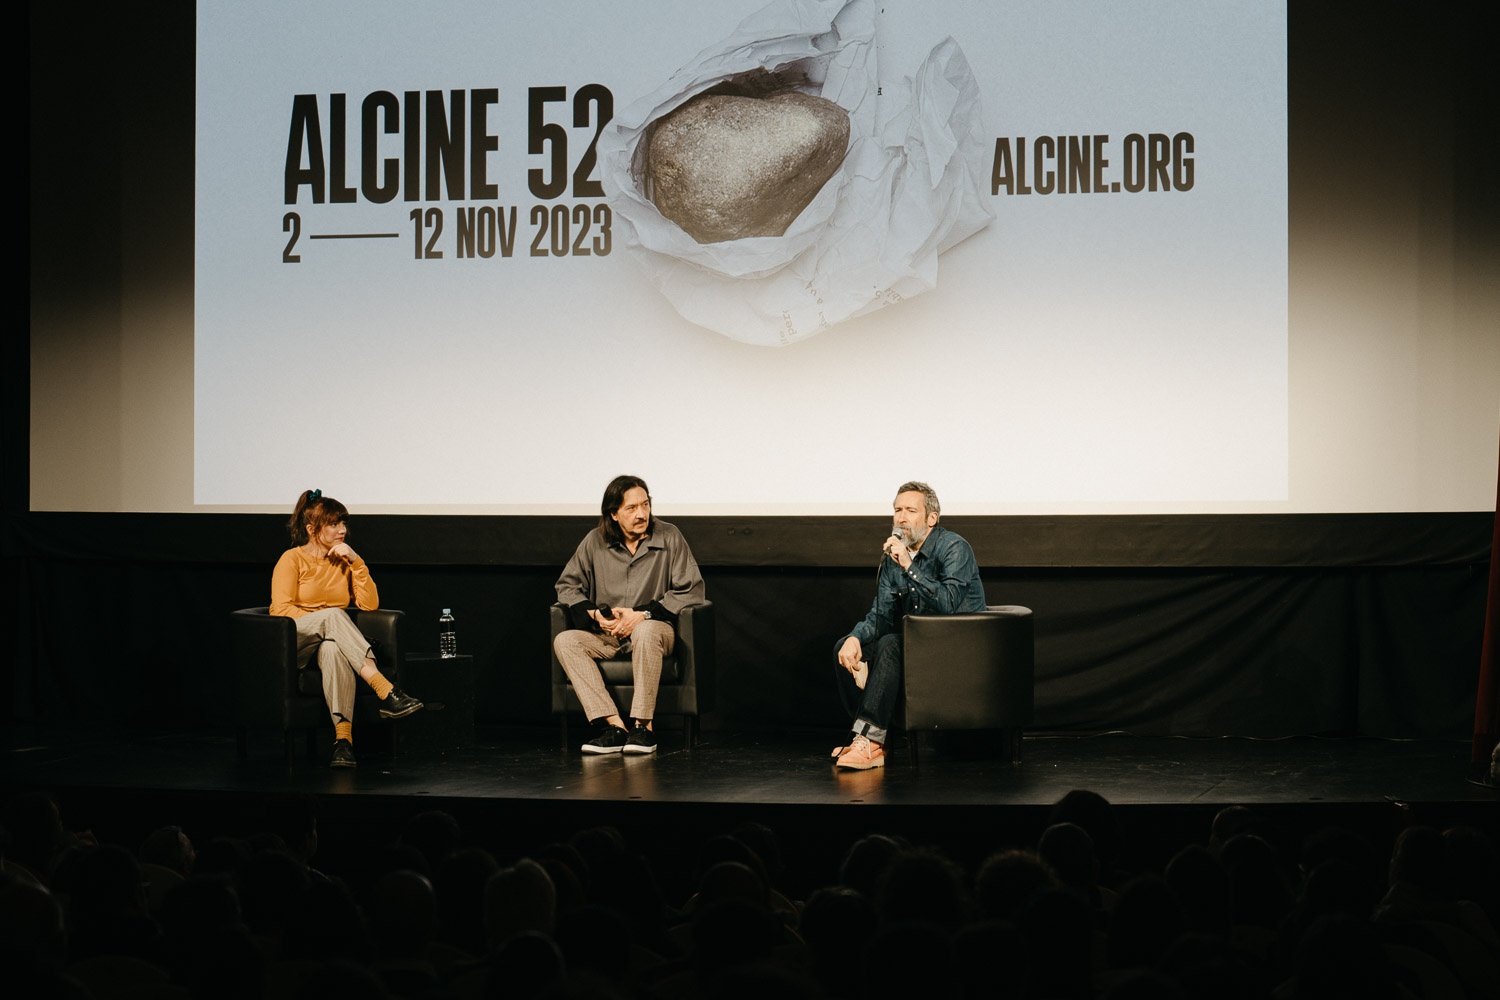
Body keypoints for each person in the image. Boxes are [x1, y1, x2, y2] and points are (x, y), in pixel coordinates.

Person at [831, 481, 986, 769]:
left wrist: (909, 567)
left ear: (931, 518)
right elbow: (883, 615)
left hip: (957, 646)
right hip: (917, 645)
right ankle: (871, 739)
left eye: (910, 510)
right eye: (897, 510)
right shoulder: (894, 558)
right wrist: (855, 637)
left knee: (891, 643)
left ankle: (871, 741)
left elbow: (949, 604)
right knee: (845, 647)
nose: (901, 517)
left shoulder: (954, 548)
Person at [554, 475, 706, 755]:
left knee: (645, 631)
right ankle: (614, 727)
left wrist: (643, 614)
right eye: (632, 508)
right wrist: (595, 616)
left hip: (657, 631)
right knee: (566, 641)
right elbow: (567, 586)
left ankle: (643, 727)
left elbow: (692, 590)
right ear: (613, 514)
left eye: (645, 505)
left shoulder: (669, 536)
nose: (641, 514)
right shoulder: (594, 541)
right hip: (609, 635)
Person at [271, 489, 422, 768]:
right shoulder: (291, 559)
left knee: (332, 650)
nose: (342, 530)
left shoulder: (343, 561)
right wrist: (321, 617)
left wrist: (357, 562)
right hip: (295, 641)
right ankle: (386, 691)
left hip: (326, 641)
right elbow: (279, 611)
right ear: (311, 529)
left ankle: (343, 744)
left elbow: (369, 604)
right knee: (332, 616)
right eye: (334, 524)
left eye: (344, 524)